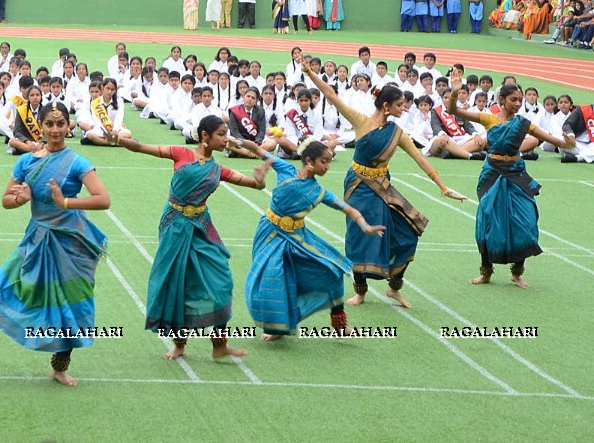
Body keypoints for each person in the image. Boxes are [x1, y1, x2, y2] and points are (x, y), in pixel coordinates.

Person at [0, 103, 109, 386]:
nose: (56, 130)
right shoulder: (26, 162)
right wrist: (21, 199)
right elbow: (5, 200)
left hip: (71, 243)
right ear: (41, 126)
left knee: (68, 305)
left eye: (61, 124)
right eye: (49, 124)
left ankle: (60, 367)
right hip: (36, 241)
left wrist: (66, 202)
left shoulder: (77, 162)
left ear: (69, 126)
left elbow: (102, 199)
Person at [301, 57, 467, 308]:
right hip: (358, 184)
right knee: (358, 236)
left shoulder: (397, 132)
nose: (405, 109)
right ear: (387, 106)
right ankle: (360, 291)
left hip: (383, 187)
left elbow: (419, 159)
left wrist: (442, 187)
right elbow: (331, 95)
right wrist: (311, 74)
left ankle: (394, 288)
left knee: (408, 233)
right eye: (401, 105)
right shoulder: (361, 122)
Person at [116, 118, 266, 361]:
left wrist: (260, 180)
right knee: (178, 283)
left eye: (226, 134)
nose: (225, 139)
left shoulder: (219, 170)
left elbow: (255, 186)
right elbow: (140, 147)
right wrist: (119, 140)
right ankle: (179, 344)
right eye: (221, 134)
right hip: (174, 224)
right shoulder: (181, 154)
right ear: (205, 136)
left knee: (221, 282)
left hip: (201, 227)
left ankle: (220, 346)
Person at [244, 140, 385, 340]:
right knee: (273, 279)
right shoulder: (285, 169)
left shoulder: (320, 192)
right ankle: (278, 328)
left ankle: (340, 326)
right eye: (324, 161)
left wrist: (365, 226)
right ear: (309, 160)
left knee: (334, 271)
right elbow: (257, 149)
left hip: (297, 237)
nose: (327, 166)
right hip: (270, 233)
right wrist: (234, 140)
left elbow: (348, 209)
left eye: (329, 161)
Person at [445, 74, 573, 289]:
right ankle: (486, 271)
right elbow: (453, 111)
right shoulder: (489, 119)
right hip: (492, 173)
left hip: (516, 173)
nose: (517, 103)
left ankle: (517, 272)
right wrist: (456, 90)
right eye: (513, 99)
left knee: (526, 221)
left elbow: (553, 140)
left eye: (520, 100)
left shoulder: (524, 124)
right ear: (502, 100)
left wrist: (567, 143)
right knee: (487, 221)